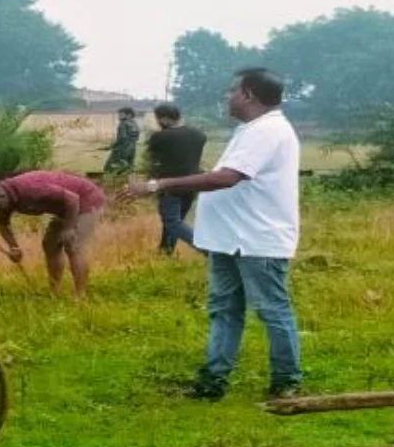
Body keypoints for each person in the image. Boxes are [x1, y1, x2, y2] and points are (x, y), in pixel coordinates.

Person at [121, 68, 303, 400]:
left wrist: (159, 184)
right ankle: (213, 381)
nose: (226, 96)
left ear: (248, 94)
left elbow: (226, 178)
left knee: (272, 309)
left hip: (256, 240)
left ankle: (286, 381)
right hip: (228, 238)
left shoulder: (267, 131)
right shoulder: (251, 130)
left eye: (231, 90)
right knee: (224, 309)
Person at [0, 170, 106, 298]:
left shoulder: (29, 188)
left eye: (0, 200)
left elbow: (73, 199)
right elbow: (4, 225)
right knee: (50, 245)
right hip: (64, 209)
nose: (1, 206)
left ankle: (80, 295)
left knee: (73, 245)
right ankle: (54, 291)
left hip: (86, 199)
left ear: (0, 191)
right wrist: (14, 248)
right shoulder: (2, 200)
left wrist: (68, 228)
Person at [146, 103, 208, 254]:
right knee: (176, 221)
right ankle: (165, 252)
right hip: (193, 184)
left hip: (170, 185)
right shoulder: (199, 134)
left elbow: (153, 156)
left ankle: (208, 249)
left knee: (172, 222)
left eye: (158, 119)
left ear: (165, 119)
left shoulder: (160, 137)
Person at [103, 107, 141, 175]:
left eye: (121, 114)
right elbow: (136, 138)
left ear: (129, 115)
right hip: (132, 150)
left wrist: (111, 146)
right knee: (127, 170)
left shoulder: (123, 124)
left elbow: (122, 138)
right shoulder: (135, 124)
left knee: (109, 169)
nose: (119, 116)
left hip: (121, 151)